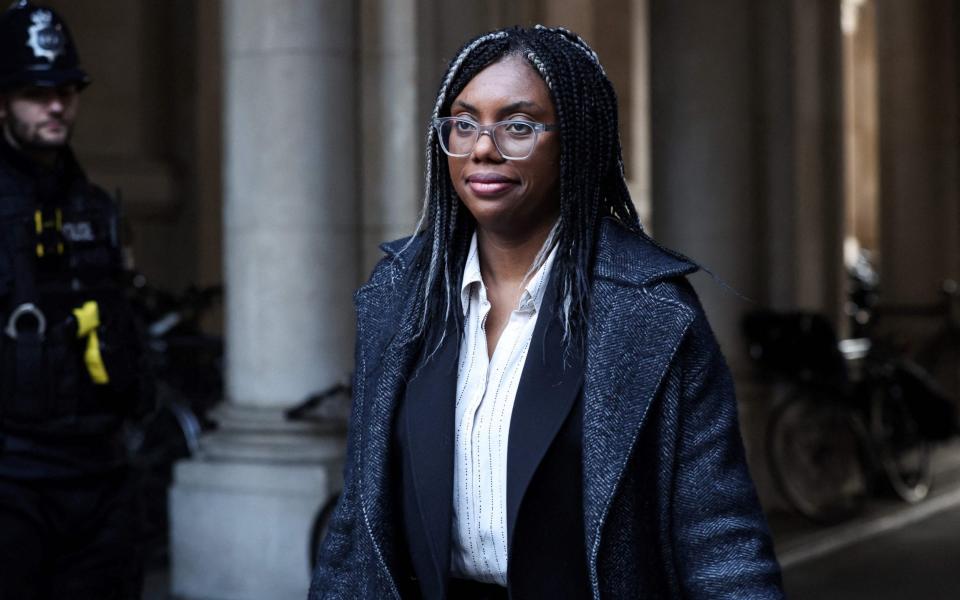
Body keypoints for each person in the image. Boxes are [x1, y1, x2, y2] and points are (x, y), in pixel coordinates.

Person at [311, 25, 784, 599]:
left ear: (576, 143)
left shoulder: (648, 311)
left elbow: (718, 536)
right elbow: (357, 527)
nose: (483, 147)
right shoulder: (398, 296)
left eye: (517, 126)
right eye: (463, 124)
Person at [0, 2, 144, 598]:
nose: (56, 105)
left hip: (102, 480)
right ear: (3, 101)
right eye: (37, 92)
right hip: (14, 484)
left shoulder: (95, 207)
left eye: (65, 89)